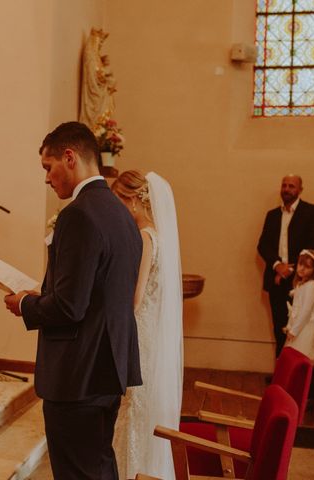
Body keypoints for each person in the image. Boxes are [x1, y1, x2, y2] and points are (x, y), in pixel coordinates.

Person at [3, 122, 142, 480]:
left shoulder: (78, 214)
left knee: (77, 472)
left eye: (48, 168)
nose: (47, 178)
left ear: (69, 157)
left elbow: (69, 307)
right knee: (97, 464)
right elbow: (95, 293)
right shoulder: (121, 214)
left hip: (78, 374)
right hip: (108, 365)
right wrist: (46, 295)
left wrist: (24, 304)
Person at [110, 170, 183, 480]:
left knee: (133, 409)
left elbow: (135, 298)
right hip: (153, 335)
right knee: (141, 408)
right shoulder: (162, 238)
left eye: (119, 204)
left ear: (134, 202)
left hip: (138, 335)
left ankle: (131, 473)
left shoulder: (144, 237)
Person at [257, 174, 314, 358]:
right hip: (276, 280)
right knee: (280, 326)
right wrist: (278, 266)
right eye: (284, 185)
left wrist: (291, 270)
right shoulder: (272, 215)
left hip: (302, 281)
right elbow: (263, 245)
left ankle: (297, 376)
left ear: (300, 189)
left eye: (292, 186)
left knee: (300, 329)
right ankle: (281, 371)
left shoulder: (311, 212)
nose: (287, 189)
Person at [283, 249, 314, 360]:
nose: (301, 268)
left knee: (301, 356)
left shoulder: (312, 285)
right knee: (293, 355)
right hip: (301, 324)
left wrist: (294, 330)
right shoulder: (302, 283)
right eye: (300, 264)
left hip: (308, 326)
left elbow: (306, 311)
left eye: (307, 267)